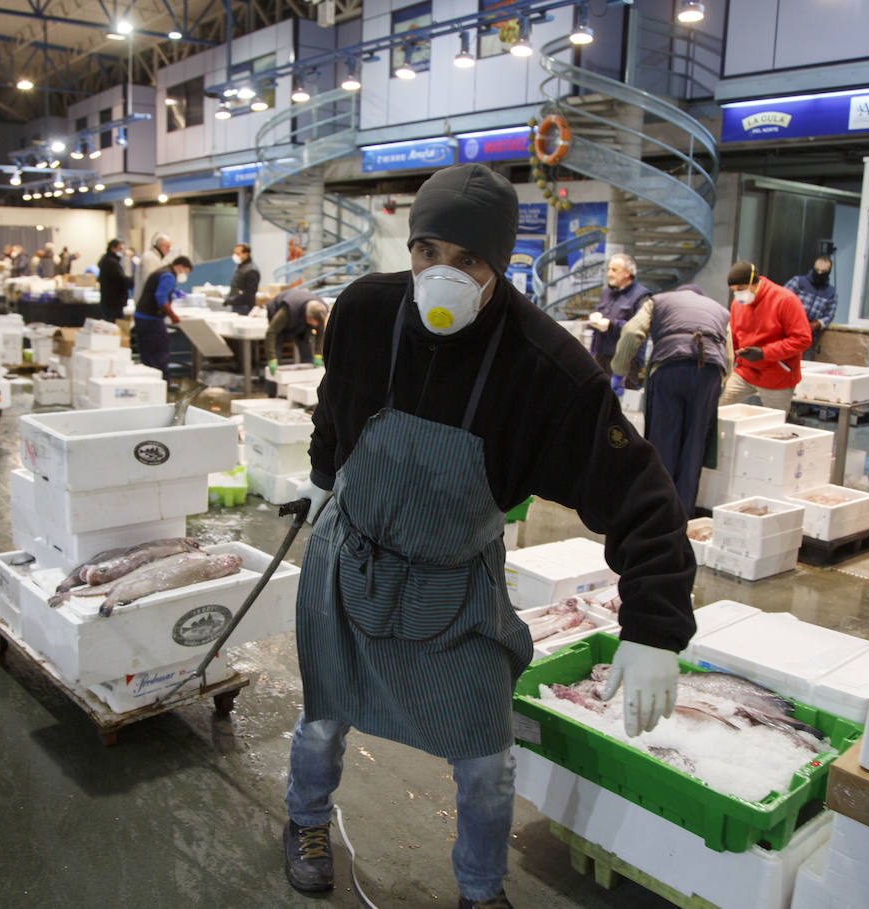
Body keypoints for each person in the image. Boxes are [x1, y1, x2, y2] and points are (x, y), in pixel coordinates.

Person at [282, 164, 696, 909]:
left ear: (500, 266)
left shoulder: (545, 368)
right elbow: (333, 404)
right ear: (409, 248)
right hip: (353, 560)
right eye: (428, 251)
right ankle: (305, 818)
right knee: (322, 717)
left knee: (483, 757)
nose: (443, 273)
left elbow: (641, 489)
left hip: (453, 584)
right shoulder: (365, 312)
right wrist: (321, 474)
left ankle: (480, 889)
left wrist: (655, 625)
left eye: (469, 260)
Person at [611, 284, 731, 516]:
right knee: (693, 448)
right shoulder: (720, 310)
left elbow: (631, 332)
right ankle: (681, 518)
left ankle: (657, 514)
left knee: (664, 443)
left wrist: (619, 370)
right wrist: (717, 388)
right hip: (709, 374)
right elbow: (728, 355)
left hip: (670, 368)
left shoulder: (658, 301)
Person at [717, 261, 811, 413]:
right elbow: (733, 339)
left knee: (774, 427)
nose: (738, 294)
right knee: (717, 407)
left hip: (777, 374)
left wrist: (764, 353)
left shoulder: (785, 300)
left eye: (741, 289)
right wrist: (725, 368)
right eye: (734, 290)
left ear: (755, 283)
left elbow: (802, 339)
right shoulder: (738, 304)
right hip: (745, 371)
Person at [587, 253, 649, 378]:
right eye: (609, 269)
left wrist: (611, 324)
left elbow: (639, 329)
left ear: (627, 273)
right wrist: (594, 319)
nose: (609, 274)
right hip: (601, 357)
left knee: (620, 397)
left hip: (626, 362)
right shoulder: (607, 293)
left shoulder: (642, 296)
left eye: (614, 270)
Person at [134, 255, 193, 377]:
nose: (184, 276)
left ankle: (149, 379)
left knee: (147, 353)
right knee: (160, 352)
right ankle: (162, 381)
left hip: (142, 317)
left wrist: (175, 292)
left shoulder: (162, 271)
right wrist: (173, 316)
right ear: (180, 267)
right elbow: (160, 297)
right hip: (151, 319)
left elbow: (162, 290)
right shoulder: (169, 275)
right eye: (185, 272)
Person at [264, 288, 328, 394]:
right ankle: (272, 393)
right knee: (276, 355)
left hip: (301, 323)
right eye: (314, 322)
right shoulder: (287, 311)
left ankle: (304, 391)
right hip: (280, 321)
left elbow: (320, 334)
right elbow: (271, 332)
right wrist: (271, 358)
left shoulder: (320, 311)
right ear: (308, 316)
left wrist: (318, 353)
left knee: (307, 355)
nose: (315, 326)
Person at [784, 256, 837, 354]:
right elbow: (782, 300)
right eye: (817, 270)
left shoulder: (831, 292)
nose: (819, 274)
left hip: (808, 336)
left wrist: (817, 324)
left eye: (823, 272)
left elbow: (829, 315)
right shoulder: (798, 282)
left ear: (828, 273)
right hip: (788, 330)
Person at [96, 238, 130, 322]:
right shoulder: (111, 263)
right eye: (120, 249)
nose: (122, 251)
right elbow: (121, 280)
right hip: (114, 302)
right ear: (113, 248)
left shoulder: (106, 261)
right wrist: (133, 280)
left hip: (108, 300)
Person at [225, 243, 259, 315]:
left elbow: (249, 294)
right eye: (234, 253)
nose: (235, 256)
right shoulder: (240, 267)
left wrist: (231, 300)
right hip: (236, 306)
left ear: (246, 254)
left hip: (244, 308)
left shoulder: (251, 271)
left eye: (238, 254)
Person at [135, 233, 172, 299]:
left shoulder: (156, 258)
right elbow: (150, 282)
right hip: (146, 302)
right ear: (161, 246)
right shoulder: (150, 258)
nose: (169, 251)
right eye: (168, 247)